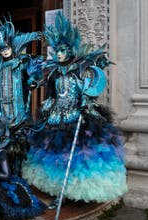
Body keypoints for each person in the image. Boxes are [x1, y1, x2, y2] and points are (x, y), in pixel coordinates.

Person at [21, 13, 127, 205]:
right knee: (56, 160)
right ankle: (59, 193)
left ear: (70, 51)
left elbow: (87, 91)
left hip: (76, 118)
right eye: (57, 51)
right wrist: (44, 100)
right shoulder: (53, 72)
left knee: (76, 159)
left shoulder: (80, 71)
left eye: (63, 50)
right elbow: (51, 94)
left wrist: (86, 101)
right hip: (55, 119)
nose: (59, 54)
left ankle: (73, 192)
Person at [0, 17, 41, 175]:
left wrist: (32, 82)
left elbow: (30, 77)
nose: (5, 51)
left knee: (20, 140)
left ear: (12, 47)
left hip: (18, 109)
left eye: (7, 48)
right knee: (3, 140)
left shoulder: (20, 63)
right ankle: (5, 168)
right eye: (2, 49)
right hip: (2, 110)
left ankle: (21, 169)